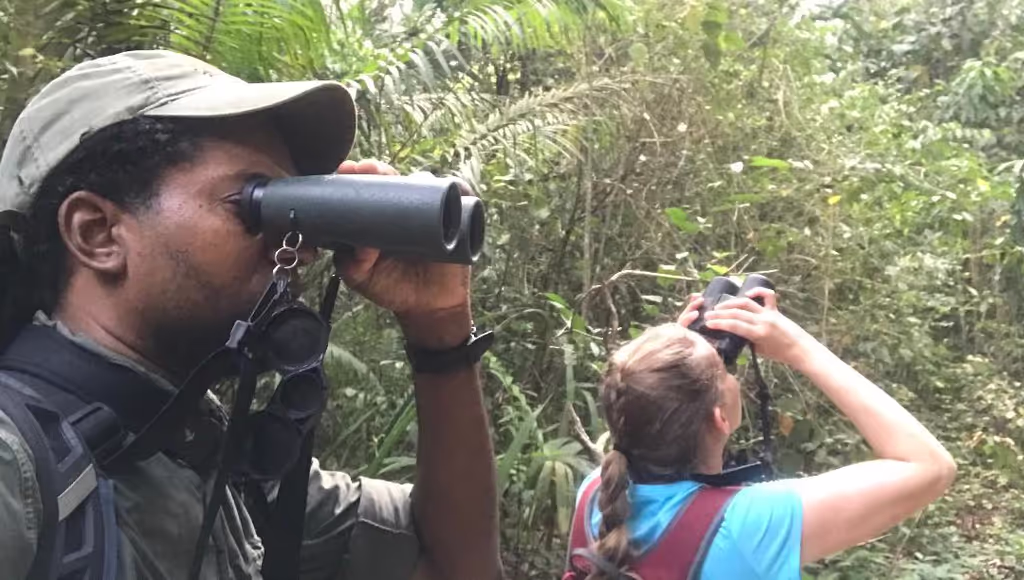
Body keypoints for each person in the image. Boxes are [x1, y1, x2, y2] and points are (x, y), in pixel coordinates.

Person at [0, 50, 500, 579]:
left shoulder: (211, 458)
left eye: (299, 209)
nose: (301, 247)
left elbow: (454, 562)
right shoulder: (18, 471)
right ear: (97, 233)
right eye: (257, 201)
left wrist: (439, 330)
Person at [565, 286, 957, 579]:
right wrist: (799, 347)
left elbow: (650, 402)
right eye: (727, 371)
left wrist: (673, 360)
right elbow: (931, 466)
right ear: (720, 417)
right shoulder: (749, 523)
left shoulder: (594, 493)